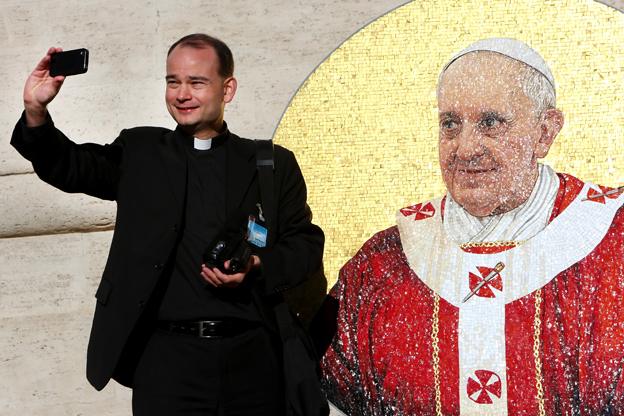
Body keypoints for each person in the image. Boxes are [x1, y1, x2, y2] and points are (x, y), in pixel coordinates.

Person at [12, 34, 326, 416]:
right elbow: (71, 166)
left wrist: (258, 267)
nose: (182, 94)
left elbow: (306, 244)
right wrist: (35, 112)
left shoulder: (271, 162)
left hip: (253, 358)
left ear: (227, 89)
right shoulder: (141, 151)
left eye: (197, 82)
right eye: (172, 81)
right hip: (165, 361)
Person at [319, 38, 624, 415]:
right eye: (450, 124)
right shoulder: (381, 266)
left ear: (545, 132)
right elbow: (321, 396)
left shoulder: (614, 245)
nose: (464, 149)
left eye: (490, 122)